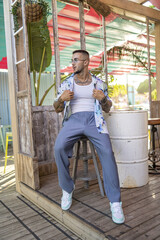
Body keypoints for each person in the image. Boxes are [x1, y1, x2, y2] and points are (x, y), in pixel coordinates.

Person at [53, 50, 125, 224]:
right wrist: (61, 100)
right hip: (73, 120)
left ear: (86, 62)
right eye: (72, 61)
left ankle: (115, 202)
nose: (73, 63)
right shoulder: (67, 83)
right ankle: (67, 189)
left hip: (95, 120)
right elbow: (56, 108)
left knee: (108, 153)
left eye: (76, 60)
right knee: (58, 148)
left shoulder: (99, 83)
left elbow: (107, 108)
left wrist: (102, 99)